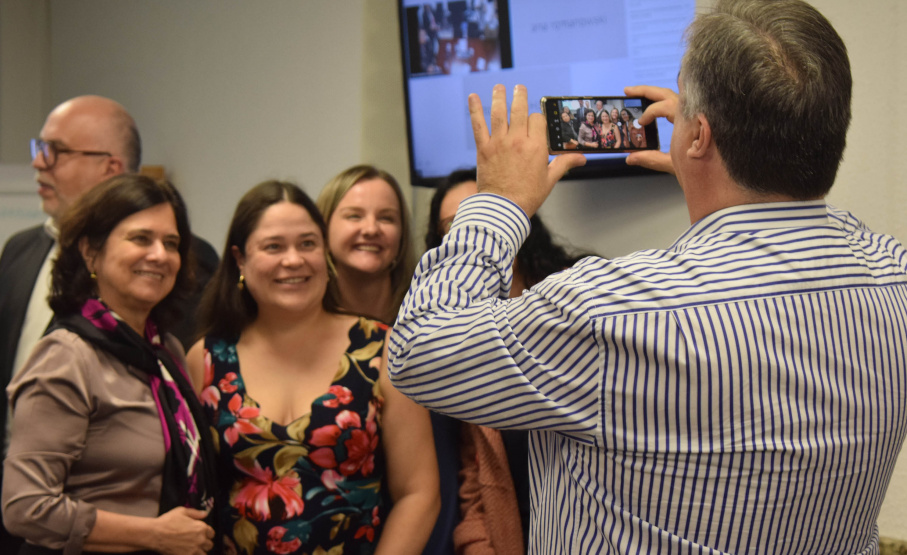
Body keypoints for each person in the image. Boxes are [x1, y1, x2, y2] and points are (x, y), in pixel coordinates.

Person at [387, 0, 907, 553]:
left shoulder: (608, 312)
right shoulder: (895, 278)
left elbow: (420, 350)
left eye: (685, 114)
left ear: (699, 135)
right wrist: (711, 165)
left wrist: (499, 203)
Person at [0, 95, 219, 553]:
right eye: (140, 239)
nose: (159, 255)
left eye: (171, 243)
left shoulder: (165, 351)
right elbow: (26, 506)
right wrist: (155, 534)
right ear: (92, 253)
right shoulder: (69, 354)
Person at [188, 180, 439, 554]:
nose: (294, 260)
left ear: (325, 254)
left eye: (308, 244)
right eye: (274, 246)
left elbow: (419, 493)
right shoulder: (206, 359)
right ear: (240, 260)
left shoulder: (382, 347)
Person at [425, 168, 595, 554]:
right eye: (455, 225)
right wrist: (477, 543)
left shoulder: (580, 291)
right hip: (511, 531)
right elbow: (472, 471)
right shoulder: (451, 335)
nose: (476, 233)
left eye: (482, 215)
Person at [316, 165, 416, 324]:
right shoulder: (304, 318)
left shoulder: (426, 313)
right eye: (354, 216)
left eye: (386, 218)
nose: (371, 229)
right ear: (323, 227)